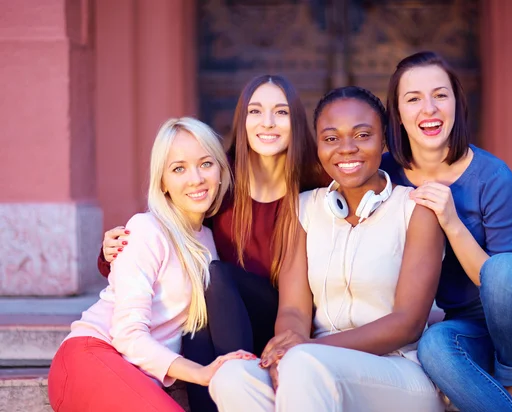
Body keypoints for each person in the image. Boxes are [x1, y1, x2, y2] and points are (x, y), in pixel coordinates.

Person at [96, 75, 326, 412]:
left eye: (281, 112)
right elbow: (168, 222)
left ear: (296, 121)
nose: (267, 123)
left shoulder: (314, 183)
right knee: (195, 327)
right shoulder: (221, 177)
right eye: (255, 111)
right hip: (226, 321)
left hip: (287, 316)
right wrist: (110, 253)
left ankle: (242, 386)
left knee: (215, 276)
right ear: (242, 121)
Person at [208, 86, 446, 412]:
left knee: (304, 365)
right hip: (311, 368)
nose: (346, 149)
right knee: (232, 376)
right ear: (317, 145)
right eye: (331, 139)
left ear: (385, 141)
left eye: (362, 135)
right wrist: (287, 347)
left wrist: (307, 348)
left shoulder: (415, 209)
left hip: (399, 372)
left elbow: (407, 323)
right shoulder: (304, 208)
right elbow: (293, 310)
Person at [381, 51, 512, 412]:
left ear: (456, 102)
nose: (429, 109)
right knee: (435, 347)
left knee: (501, 269)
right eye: (413, 99)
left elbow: (499, 284)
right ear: (397, 113)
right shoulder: (385, 175)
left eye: (440, 95)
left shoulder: (492, 175)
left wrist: (451, 221)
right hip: (470, 325)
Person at [47, 118, 256, 412]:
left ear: (221, 170)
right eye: (179, 168)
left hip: (140, 377)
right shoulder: (146, 229)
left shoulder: (210, 239)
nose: (196, 178)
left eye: (206, 164)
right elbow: (128, 335)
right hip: (92, 356)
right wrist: (201, 373)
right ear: (163, 182)